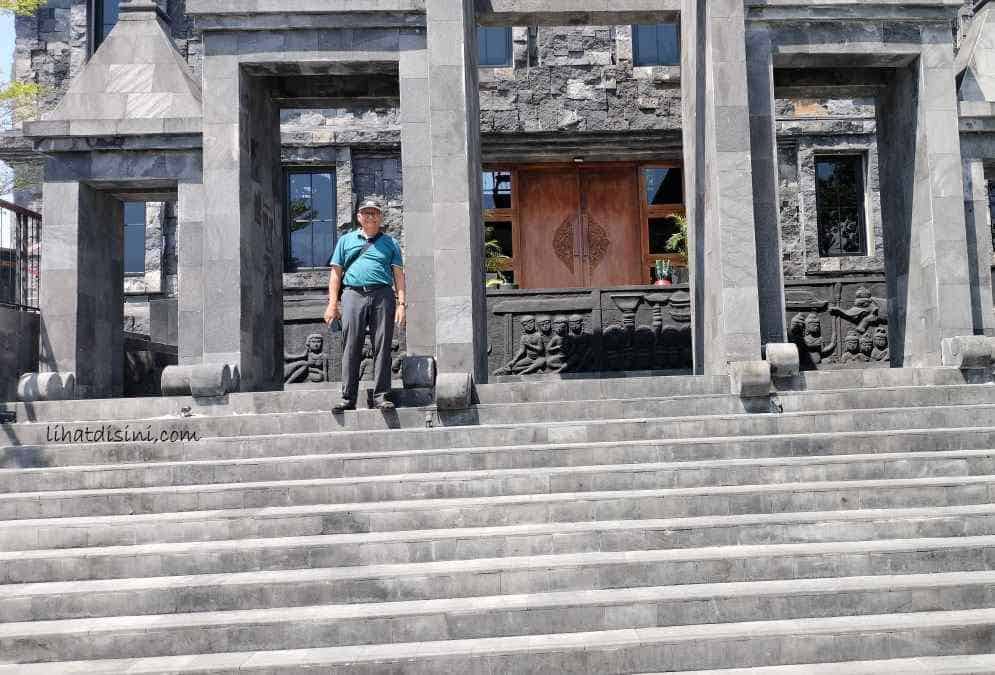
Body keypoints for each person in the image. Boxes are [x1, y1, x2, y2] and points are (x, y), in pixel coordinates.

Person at [323, 198, 406, 411]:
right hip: (352, 294)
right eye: (366, 212)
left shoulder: (390, 243)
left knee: (383, 345)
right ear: (359, 217)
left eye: (374, 212)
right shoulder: (346, 241)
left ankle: (381, 396)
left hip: (382, 295)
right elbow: (335, 274)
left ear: (380, 217)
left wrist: (401, 304)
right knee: (351, 345)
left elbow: (398, 275)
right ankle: (348, 398)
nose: (370, 216)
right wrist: (333, 304)